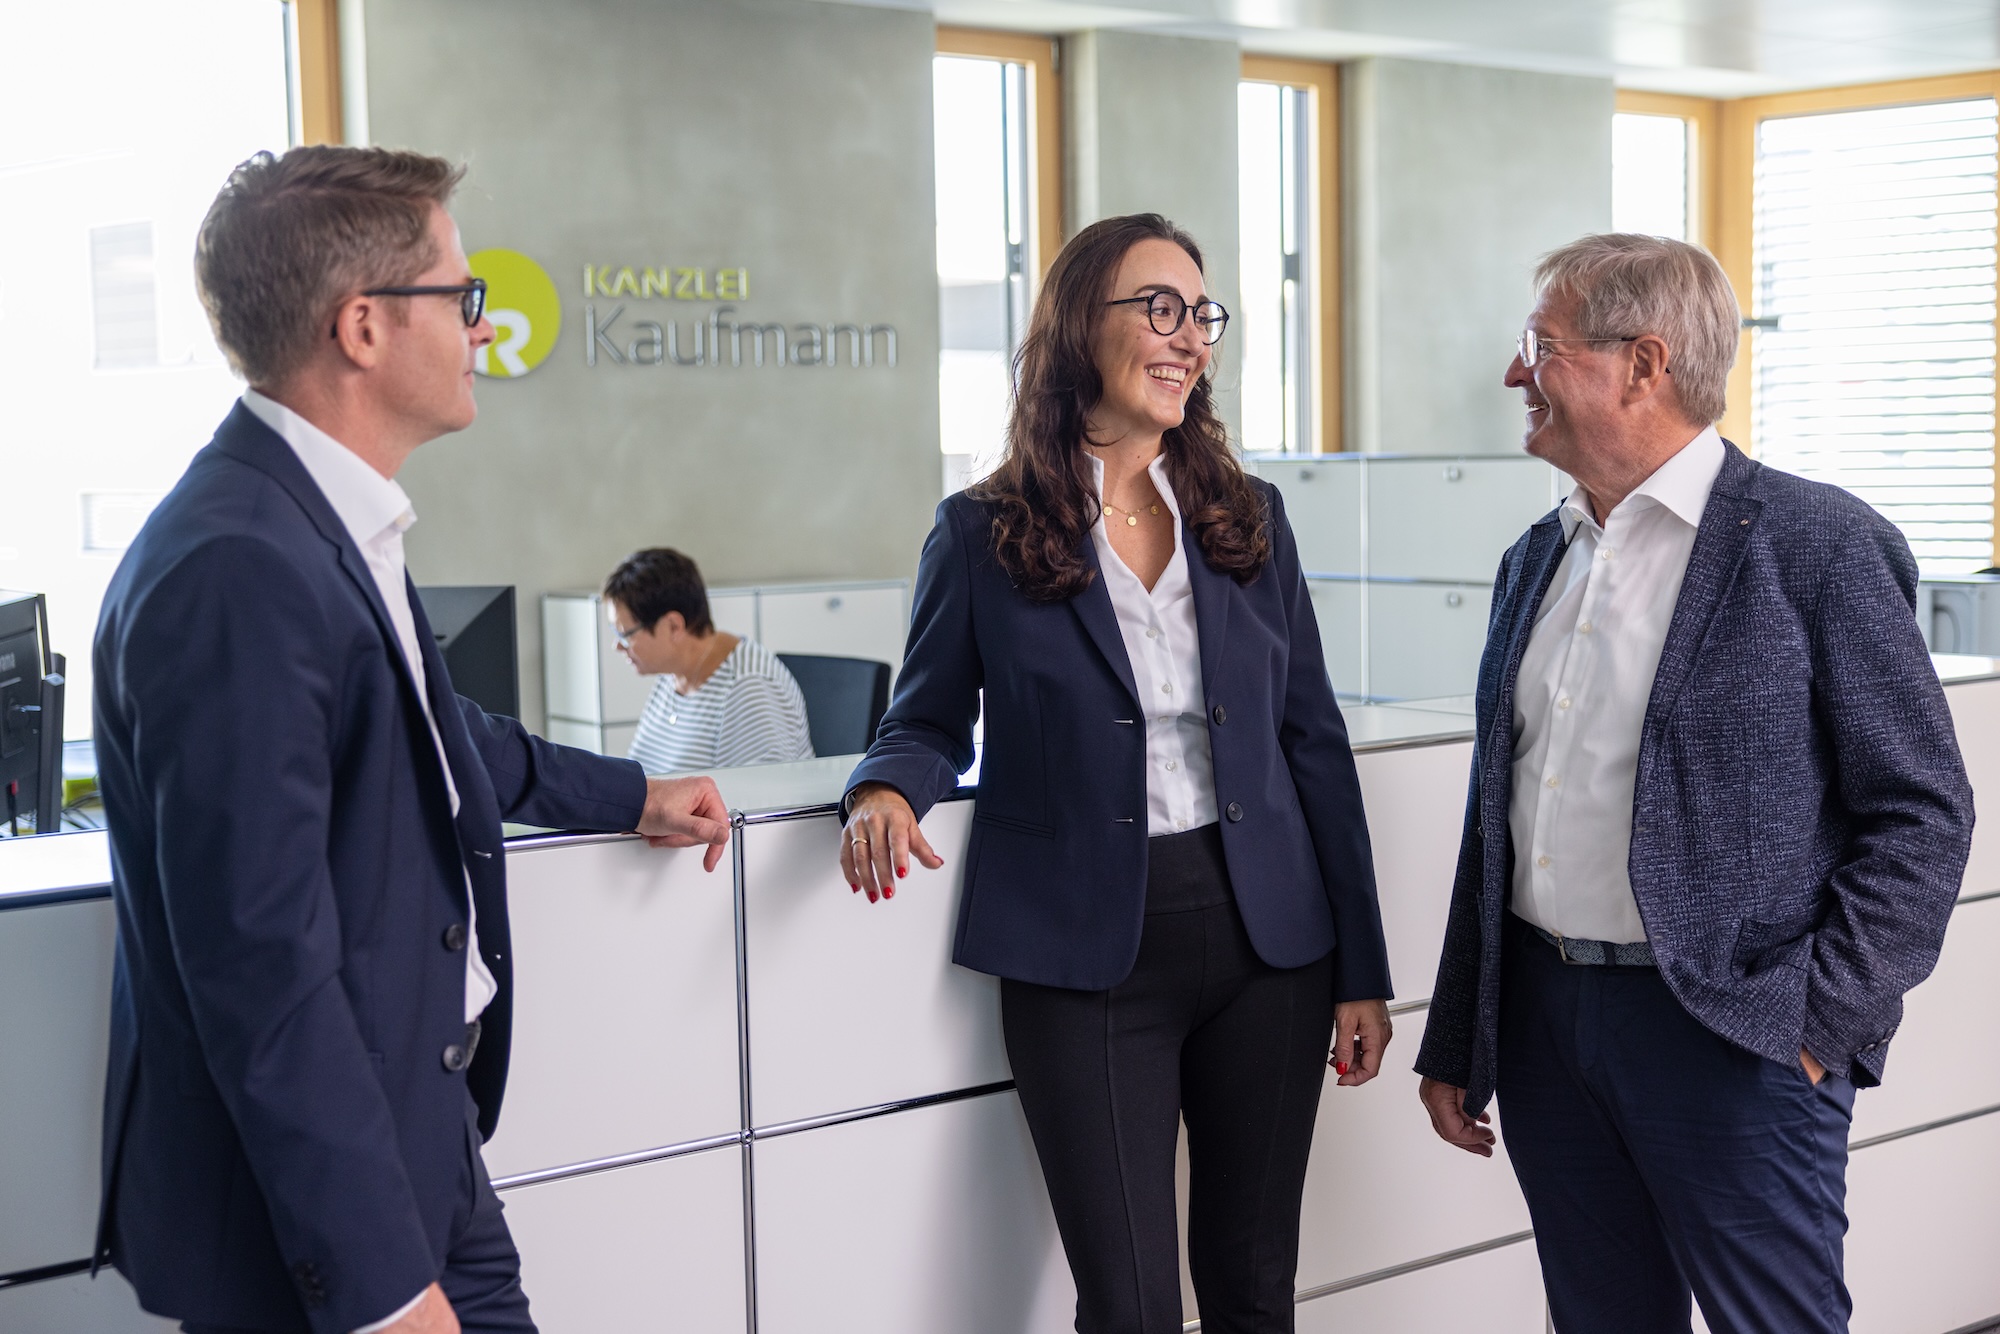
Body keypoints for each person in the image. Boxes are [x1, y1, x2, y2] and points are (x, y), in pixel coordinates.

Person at [91, 146, 732, 1334]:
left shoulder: (323, 517)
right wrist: (384, 1287)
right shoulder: (237, 566)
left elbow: (442, 740)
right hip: (312, 1223)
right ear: (364, 328)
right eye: (462, 294)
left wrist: (632, 792)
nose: (483, 326)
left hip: (416, 1143)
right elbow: (261, 968)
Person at [837, 213, 1393, 1334]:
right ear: (1077, 328)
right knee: (1130, 1302)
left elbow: (1311, 742)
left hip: (1268, 942)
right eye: (1158, 307)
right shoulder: (981, 529)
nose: (1187, 334)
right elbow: (929, 712)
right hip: (1085, 948)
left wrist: (1360, 968)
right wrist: (886, 784)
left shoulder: (1250, 517)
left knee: (1250, 1291)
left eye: (1201, 313)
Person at [1414, 233, 1974, 1334]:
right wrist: (1460, 1032)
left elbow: (1920, 811)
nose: (1513, 374)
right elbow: (1501, 816)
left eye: (1541, 346)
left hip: (1732, 1034)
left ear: (1641, 363)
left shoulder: (1817, 544)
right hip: (1543, 1024)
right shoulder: (1535, 556)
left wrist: (1815, 1023)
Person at [603, 547, 814, 772]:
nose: (617, 646)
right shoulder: (673, 673)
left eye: (625, 635)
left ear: (673, 625)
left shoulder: (749, 686)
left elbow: (757, 799)